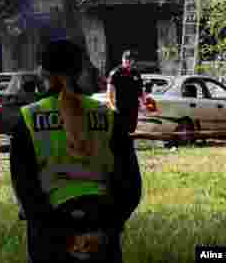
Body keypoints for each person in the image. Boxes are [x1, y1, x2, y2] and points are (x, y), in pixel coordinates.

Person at [10, 39, 142, 263]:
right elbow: (130, 184)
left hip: (49, 231)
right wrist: (108, 229)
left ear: (43, 72)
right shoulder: (108, 117)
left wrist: (56, 233)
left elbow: (25, 187)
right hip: (101, 222)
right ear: (80, 70)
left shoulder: (28, 118)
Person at [106, 51, 145, 134]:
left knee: (131, 130)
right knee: (120, 130)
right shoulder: (115, 73)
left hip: (133, 106)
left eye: (130, 59)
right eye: (126, 58)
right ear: (122, 59)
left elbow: (140, 91)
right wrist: (112, 105)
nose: (128, 61)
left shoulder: (136, 73)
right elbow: (110, 90)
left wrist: (143, 104)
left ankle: (128, 145)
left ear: (133, 60)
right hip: (120, 106)